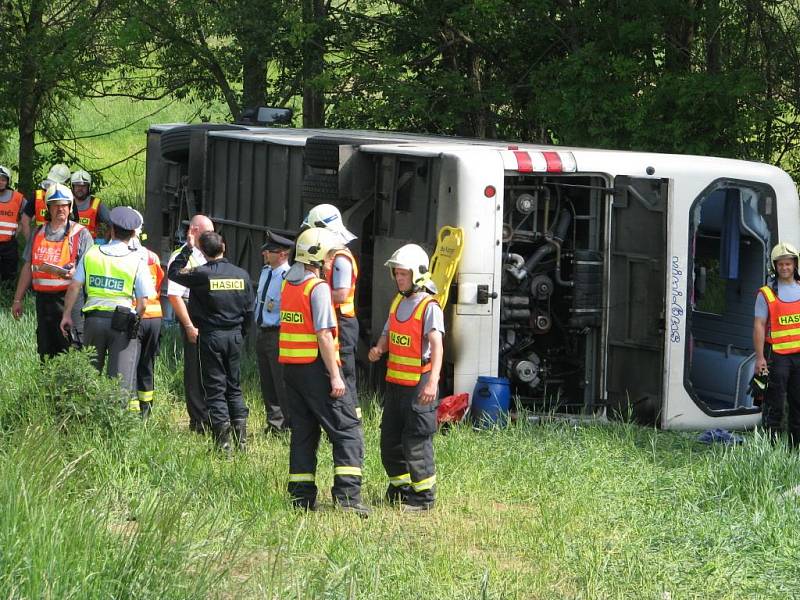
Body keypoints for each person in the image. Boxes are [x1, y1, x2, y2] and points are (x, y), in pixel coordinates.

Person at [279, 227, 369, 515]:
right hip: (316, 368)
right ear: (316, 257)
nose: (332, 262)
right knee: (347, 430)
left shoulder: (287, 284)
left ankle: (301, 497)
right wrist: (335, 376)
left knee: (304, 432)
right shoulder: (316, 288)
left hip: (292, 370)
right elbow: (324, 336)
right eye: (329, 256)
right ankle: (348, 499)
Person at [368, 244, 444, 511]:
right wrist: (379, 348)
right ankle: (401, 490)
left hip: (419, 385)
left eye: (403, 274)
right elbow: (390, 333)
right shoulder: (399, 300)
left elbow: (437, 346)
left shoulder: (429, 306)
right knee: (390, 440)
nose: (399, 278)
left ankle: (423, 498)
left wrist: (433, 382)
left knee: (416, 441)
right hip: (396, 384)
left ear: (418, 274)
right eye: (397, 274)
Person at [168, 231, 255, 454]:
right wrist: (241, 334)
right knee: (234, 387)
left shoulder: (201, 274)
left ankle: (223, 443)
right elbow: (249, 311)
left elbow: (173, 273)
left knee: (215, 388)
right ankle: (242, 441)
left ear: (203, 252)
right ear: (223, 247)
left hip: (211, 336)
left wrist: (187, 248)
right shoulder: (241, 275)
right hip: (235, 336)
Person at [60, 207, 155, 402]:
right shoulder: (137, 259)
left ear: (111, 229)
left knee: (89, 374)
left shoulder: (92, 253)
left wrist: (67, 314)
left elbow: (74, 287)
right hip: (122, 323)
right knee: (119, 380)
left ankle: (85, 418)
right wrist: (135, 321)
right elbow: (143, 303)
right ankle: (114, 424)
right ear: (133, 233)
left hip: (93, 322)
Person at [11, 184, 93, 360]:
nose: (60, 208)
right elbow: (28, 266)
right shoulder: (38, 232)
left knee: (73, 349)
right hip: (44, 303)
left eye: (64, 204)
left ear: (70, 207)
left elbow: (90, 269)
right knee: (46, 351)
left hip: (71, 301)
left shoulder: (81, 234)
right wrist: (18, 299)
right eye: (55, 204)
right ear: (48, 208)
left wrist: (77, 274)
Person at [301, 204, 360, 407]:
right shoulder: (329, 254)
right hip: (333, 319)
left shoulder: (340, 257)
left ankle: (352, 420)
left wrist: (312, 296)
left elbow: (342, 294)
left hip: (342, 323)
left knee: (344, 372)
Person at [167, 214, 214, 433]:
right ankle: (198, 420)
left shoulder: (209, 254)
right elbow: (175, 296)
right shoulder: (181, 257)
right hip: (192, 316)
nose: (211, 237)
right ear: (193, 232)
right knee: (194, 371)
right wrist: (188, 326)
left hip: (210, 316)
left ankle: (212, 415)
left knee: (211, 368)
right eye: (206, 233)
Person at [754, 242, 800, 447]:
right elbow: (759, 326)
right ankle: (770, 450)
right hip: (777, 356)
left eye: (788, 264)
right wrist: (760, 358)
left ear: (795, 265)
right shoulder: (766, 293)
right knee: (775, 405)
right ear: (775, 266)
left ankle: (795, 449)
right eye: (780, 264)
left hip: (799, 356)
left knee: (798, 405)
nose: (785, 268)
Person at [255, 229, 293, 434]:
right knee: (267, 382)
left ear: (282, 254)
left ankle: (289, 424)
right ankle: (274, 424)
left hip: (278, 333)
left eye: (269, 251)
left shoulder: (288, 277)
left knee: (281, 382)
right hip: (263, 332)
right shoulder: (265, 272)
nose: (264, 254)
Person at [130, 217, 164, 419]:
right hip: (155, 316)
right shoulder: (152, 256)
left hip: (135, 314)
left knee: (129, 363)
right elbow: (158, 284)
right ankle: (146, 411)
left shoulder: (122, 254)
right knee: (147, 363)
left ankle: (131, 411)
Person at [20, 163, 71, 241]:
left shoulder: (69, 198)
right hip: (45, 245)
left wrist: (30, 243)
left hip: (58, 244)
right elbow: (24, 221)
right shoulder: (37, 196)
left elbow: (24, 221)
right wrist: (30, 243)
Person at [0, 165, 25, 288]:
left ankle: (7, 292)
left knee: (9, 272)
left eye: (3, 179)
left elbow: (28, 214)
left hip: (9, 243)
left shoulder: (17, 198)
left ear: (8, 181)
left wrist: (19, 230)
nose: (0, 182)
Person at [70, 170, 111, 241]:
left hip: (90, 246)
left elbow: (112, 223)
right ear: (72, 186)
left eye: (84, 186)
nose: (80, 189)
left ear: (89, 187)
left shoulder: (96, 204)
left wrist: (104, 241)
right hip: (69, 245)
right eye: (77, 185)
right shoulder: (66, 203)